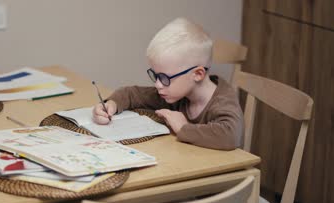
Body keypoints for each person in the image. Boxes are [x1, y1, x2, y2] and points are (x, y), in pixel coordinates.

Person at [92, 17, 243, 150]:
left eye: (164, 77)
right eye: (156, 76)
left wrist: (184, 128)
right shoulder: (176, 93)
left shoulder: (223, 102)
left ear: (197, 74)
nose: (158, 84)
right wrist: (111, 105)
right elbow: (131, 94)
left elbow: (230, 136)